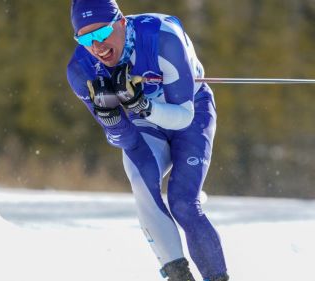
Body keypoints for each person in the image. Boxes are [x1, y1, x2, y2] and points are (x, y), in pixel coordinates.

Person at [66, 1, 229, 281]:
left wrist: (142, 105)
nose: (97, 46)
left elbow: (184, 116)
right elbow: (125, 140)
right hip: (145, 122)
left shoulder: (162, 37)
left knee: (183, 203)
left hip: (191, 110)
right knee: (141, 181)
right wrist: (111, 119)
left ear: (122, 22)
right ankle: (178, 275)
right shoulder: (82, 69)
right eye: (86, 38)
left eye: (102, 33)